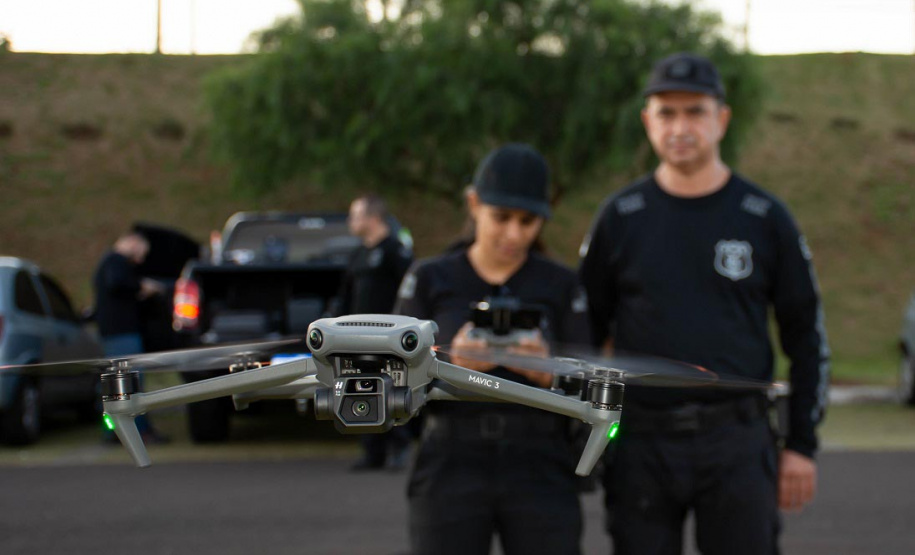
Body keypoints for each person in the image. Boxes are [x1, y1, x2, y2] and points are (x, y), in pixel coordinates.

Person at [578, 52, 830, 555]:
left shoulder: (764, 217)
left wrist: (800, 443)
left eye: (695, 111)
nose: (680, 127)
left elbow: (806, 334)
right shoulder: (620, 219)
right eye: (666, 113)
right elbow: (585, 334)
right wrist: (592, 427)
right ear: (647, 120)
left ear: (722, 118)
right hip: (641, 441)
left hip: (736, 440)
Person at [395, 143, 591, 555]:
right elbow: (393, 377)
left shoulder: (561, 284)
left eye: (528, 220)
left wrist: (549, 372)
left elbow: (591, 377)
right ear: (473, 204)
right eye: (501, 217)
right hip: (451, 454)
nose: (514, 234)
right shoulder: (430, 278)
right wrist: (446, 363)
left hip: (539, 456)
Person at [338, 193, 414, 470]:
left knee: (390, 390)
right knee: (361, 391)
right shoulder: (358, 255)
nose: (350, 221)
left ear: (373, 218)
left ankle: (400, 444)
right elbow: (346, 296)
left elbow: (409, 292)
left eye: (355, 215)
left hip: (388, 337)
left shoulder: (395, 251)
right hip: (358, 338)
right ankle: (373, 452)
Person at [93, 232, 169, 443]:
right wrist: (142, 286)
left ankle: (115, 431)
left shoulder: (108, 262)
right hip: (122, 333)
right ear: (133, 244)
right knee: (131, 383)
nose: (140, 260)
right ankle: (137, 431)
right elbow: (117, 283)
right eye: (141, 253)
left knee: (116, 384)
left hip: (114, 333)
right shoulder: (115, 261)